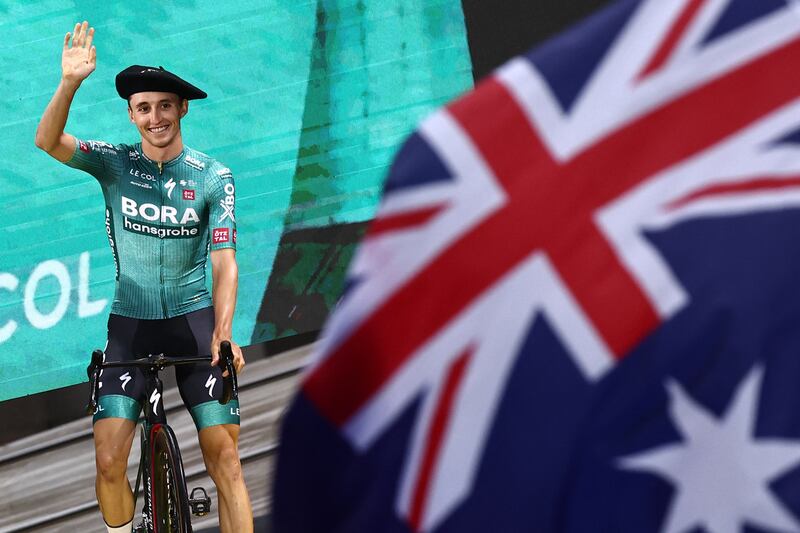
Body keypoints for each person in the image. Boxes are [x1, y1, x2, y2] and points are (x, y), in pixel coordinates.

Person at [34, 21, 253, 533]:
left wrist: (223, 335)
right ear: (131, 115)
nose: (155, 117)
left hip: (195, 322)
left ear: (182, 109)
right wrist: (69, 84)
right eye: (143, 108)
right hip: (130, 326)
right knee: (109, 462)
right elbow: (47, 140)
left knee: (227, 462)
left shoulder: (212, 176)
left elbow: (224, 261)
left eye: (164, 105)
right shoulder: (113, 163)